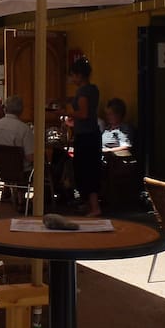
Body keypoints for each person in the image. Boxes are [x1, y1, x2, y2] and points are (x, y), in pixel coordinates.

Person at [64, 57, 101, 217]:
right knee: (90, 170)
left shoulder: (83, 91)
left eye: (72, 75)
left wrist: (64, 112)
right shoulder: (93, 89)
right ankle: (89, 206)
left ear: (79, 75)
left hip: (85, 137)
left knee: (85, 171)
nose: (71, 79)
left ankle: (94, 207)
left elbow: (83, 113)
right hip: (92, 134)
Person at [0, 94, 34, 170]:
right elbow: (30, 157)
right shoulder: (24, 129)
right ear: (21, 110)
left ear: (4, 109)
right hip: (21, 172)